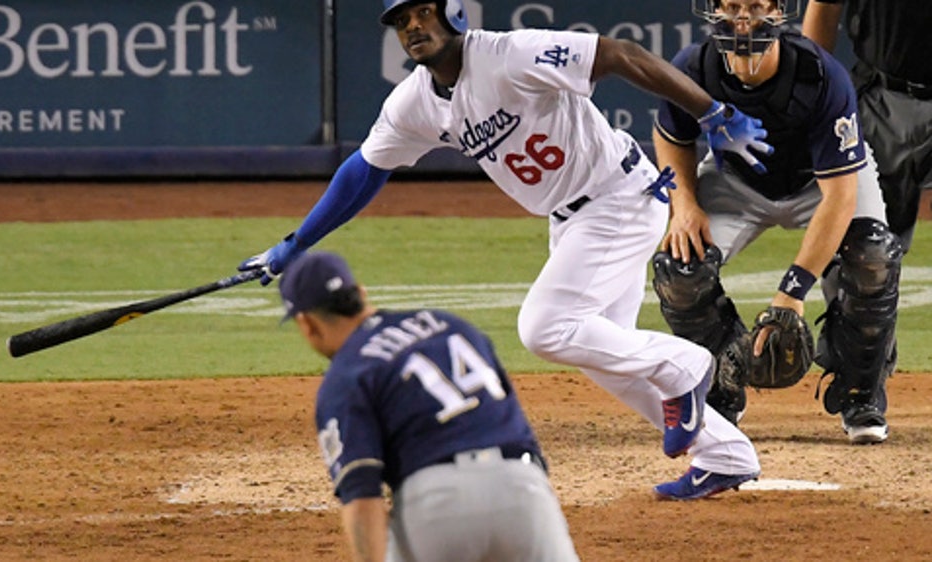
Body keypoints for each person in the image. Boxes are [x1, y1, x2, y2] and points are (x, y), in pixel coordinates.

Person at [239, 0, 767, 499]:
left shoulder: (508, 54)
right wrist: (295, 243)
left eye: (424, 11)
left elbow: (618, 54)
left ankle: (684, 364)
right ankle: (725, 454)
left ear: (453, 11)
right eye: (402, 21)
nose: (414, 26)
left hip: (618, 199)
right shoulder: (415, 101)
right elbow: (365, 170)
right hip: (573, 218)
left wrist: (712, 112)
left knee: (544, 327)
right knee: (602, 352)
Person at [650, 0, 901, 444]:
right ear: (713, 11)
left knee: (873, 257)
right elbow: (671, 135)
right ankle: (722, 382)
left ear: (778, 12)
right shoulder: (694, 65)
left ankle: (860, 389)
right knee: (679, 268)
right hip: (737, 181)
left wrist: (792, 292)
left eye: (756, 6)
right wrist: (684, 203)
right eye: (731, 6)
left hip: (820, 184)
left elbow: (839, 198)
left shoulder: (821, 74)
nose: (743, 19)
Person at [281, 250, 580, 561]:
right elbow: (514, 420)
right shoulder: (450, 325)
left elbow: (362, 494)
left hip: (438, 507)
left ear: (307, 324)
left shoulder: (345, 376)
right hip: (523, 490)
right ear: (360, 293)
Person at [803, 1, 932, 253]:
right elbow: (825, 6)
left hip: (880, 97)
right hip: (878, 98)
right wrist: (813, 95)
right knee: (864, 252)